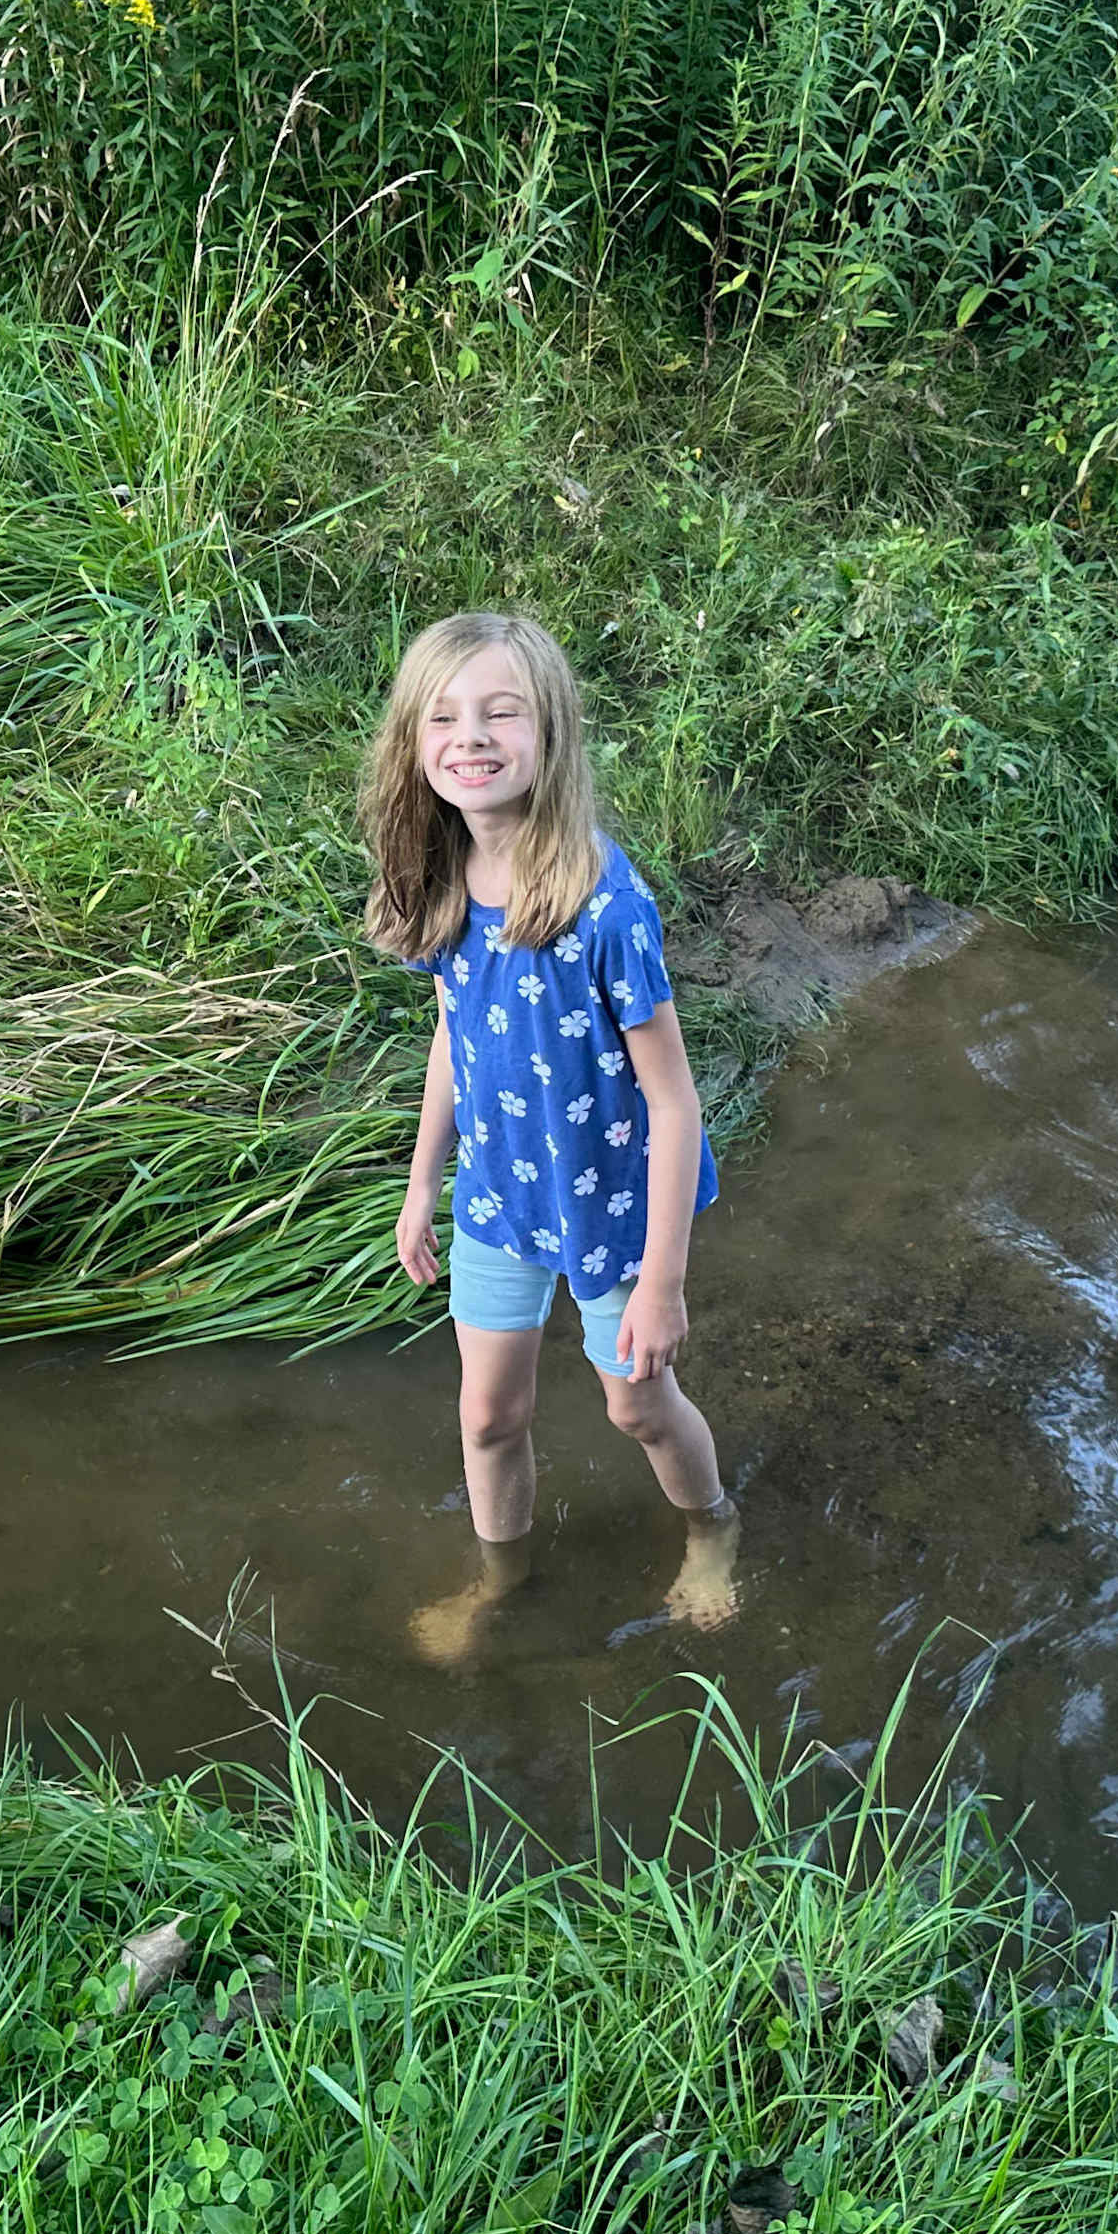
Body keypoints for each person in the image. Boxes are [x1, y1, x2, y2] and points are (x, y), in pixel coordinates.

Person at [361, 611, 741, 1659]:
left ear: (551, 736)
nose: (470, 736)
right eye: (444, 715)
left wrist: (662, 1281)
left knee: (638, 1409)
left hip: (614, 1208)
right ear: (414, 742)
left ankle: (711, 1527)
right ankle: (502, 1580)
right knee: (487, 1418)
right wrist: (420, 1183)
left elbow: (673, 1102)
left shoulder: (606, 908)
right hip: (498, 1198)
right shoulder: (441, 880)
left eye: (501, 712)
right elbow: (458, 1034)